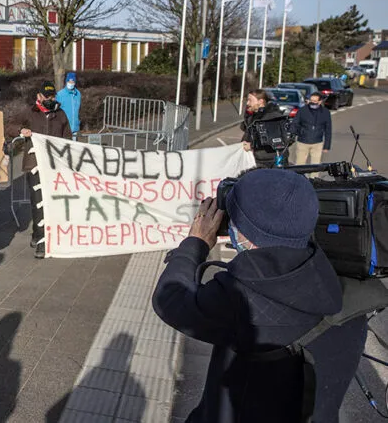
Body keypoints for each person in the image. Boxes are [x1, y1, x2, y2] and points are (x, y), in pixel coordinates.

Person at [152, 169, 367, 423]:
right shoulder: (331, 276)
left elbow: (170, 300)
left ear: (244, 235)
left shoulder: (240, 296)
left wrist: (196, 243)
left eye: (233, 219)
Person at [5, 81, 72, 258]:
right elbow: (10, 126)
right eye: (47, 96)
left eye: (52, 96)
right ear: (39, 97)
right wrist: (21, 130)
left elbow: (68, 138)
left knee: (54, 202)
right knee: (39, 202)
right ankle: (41, 241)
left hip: (55, 165)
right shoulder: (30, 112)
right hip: (34, 165)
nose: (50, 99)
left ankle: (39, 233)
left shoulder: (60, 114)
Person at [240, 89, 289, 168]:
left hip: (273, 160)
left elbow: (276, 140)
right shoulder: (254, 117)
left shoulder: (272, 117)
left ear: (260, 101)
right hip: (259, 159)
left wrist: (252, 146)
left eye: (250, 100)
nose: (247, 103)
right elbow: (249, 134)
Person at [291, 92, 332, 166]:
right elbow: (294, 124)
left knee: (316, 166)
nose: (312, 103)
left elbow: (328, 129)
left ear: (320, 102)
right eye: (311, 101)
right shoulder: (302, 110)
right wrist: (299, 133)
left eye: (315, 101)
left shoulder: (325, 112)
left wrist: (327, 146)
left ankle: (314, 178)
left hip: (317, 143)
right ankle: (300, 177)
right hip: (302, 142)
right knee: (300, 165)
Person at [55, 72, 82, 137]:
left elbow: (78, 109)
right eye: (69, 81)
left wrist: (78, 122)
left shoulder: (78, 94)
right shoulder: (60, 94)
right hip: (64, 128)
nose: (71, 83)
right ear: (66, 82)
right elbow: (56, 111)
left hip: (75, 128)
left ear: (75, 82)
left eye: (72, 81)